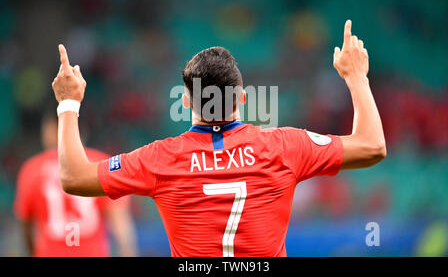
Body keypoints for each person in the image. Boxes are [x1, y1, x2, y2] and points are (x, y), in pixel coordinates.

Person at [51, 20, 386, 257]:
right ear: (241, 97)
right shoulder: (283, 147)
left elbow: (73, 177)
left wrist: (68, 102)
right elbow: (372, 146)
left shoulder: (160, 159)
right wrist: (357, 76)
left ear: (185, 100)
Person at [14, 112, 138, 257]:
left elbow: (25, 227)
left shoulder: (31, 170)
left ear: (51, 129)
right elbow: (121, 228)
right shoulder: (103, 164)